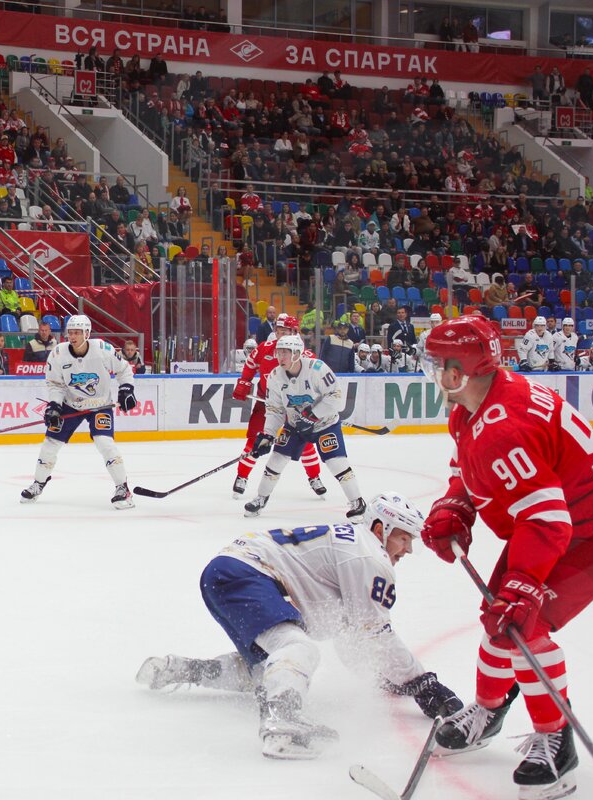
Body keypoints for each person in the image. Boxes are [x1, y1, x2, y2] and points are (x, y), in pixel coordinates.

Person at [137, 494, 461, 759]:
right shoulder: (369, 558)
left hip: (230, 570)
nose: (408, 549)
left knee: (269, 669)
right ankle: (282, 723)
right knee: (298, 649)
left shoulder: (354, 546)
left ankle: (183, 669)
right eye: (404, 538)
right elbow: (374, 631)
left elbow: (351, 635)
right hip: (248, 573)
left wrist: (385, 677)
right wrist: (422, 683)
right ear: (381, 529)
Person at [419, 315, 593, 799]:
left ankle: (556, 740)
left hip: (584, 534)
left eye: (438, 363)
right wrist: (456, 503)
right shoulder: (475, 406)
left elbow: (549, 520)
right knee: (500, 620)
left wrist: (524, 584)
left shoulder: (504, 427)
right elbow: (469, 468)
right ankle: (489, 709)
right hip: (552, 524)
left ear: (461, 370)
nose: (433, 372)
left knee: (525, 626)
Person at [243, 335, 366, 521]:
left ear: (297, 353)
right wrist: (268, 434)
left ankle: (357, 502)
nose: (280, 357)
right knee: (276, 459)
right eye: (279, 352)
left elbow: (336, 398)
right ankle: (261, 498)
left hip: (325, 425)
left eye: (285, 352)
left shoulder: (317, 369)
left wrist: (312, 415)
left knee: (336, 462)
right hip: (295, 426)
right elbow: (275, 409)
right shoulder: (275, 375)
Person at [20, 315, 137, 509]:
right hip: (70, 404)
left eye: (77, 332)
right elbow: (55, 383)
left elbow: (124, 370)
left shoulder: (103, 350)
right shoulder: (58, 353)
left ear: (87, 333)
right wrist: (55, 405)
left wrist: (126, 389)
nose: (72, 336)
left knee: (105, 443)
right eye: (70, 332)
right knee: (50, 443)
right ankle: (38, 483)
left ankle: (123, 488)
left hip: (100, 405)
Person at [232, 314, 325, 500]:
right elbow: (250, 364)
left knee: (305, 444)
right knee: (254, 441)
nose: (281, 335)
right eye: (279, 331)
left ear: (294, 332)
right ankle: (241, 476)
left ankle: (314, 477)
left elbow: (318, 378)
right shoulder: (265, 348)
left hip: (293, 407)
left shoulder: (304, 355)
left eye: (285, 331)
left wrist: (318, 401)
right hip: (266, 404)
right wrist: (244, 381)